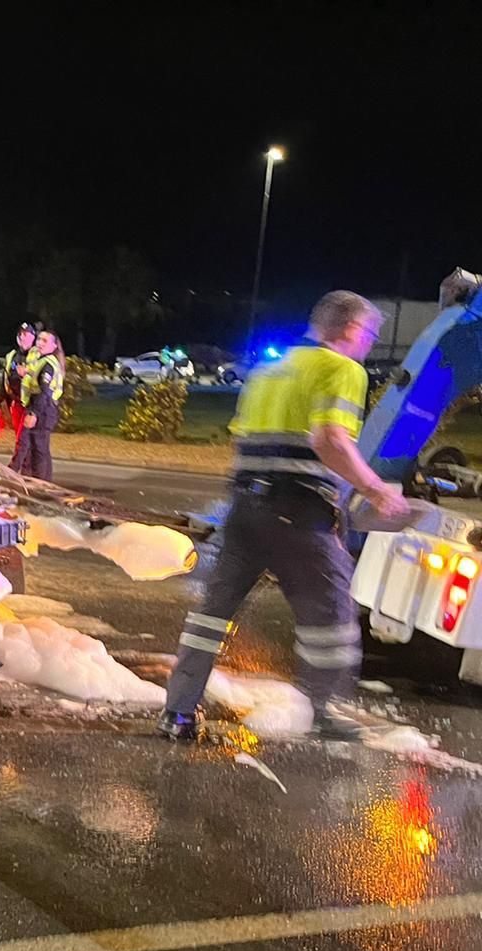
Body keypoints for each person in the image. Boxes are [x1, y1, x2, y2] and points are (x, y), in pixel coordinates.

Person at [158, 290, 408, 743]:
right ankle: (324, 712)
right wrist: (375, 489)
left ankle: (177, 710)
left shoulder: (268, 369)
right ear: (351, 329)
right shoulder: (341, 368)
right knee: (331, 615)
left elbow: (248, 442)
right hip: (297, 513)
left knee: (212, 616)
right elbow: (329, 438)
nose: (369, 345)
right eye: (369, 335)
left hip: (244, 509)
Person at [10, 329, 64, 481]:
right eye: (39, 339)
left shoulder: (48, 364)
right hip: (39, 406)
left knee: (38, 450)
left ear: (54, 346)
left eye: (45, 341)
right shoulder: (41, 360)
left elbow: (44, 392)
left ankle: (40, 486)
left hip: (43, 409)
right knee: (36, 449)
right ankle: (39, 483)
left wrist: (34, 413)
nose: (40, 343)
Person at [0, 322, 37, 435]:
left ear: (33, 337)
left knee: (29, 440)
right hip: (17, 403)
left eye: (26, 335)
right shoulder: (12, 356)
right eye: (21, 334)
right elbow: (5, 380)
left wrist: (27, 373)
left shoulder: (38, 355)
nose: (22, 337)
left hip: (32, 405)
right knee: (20, 438)